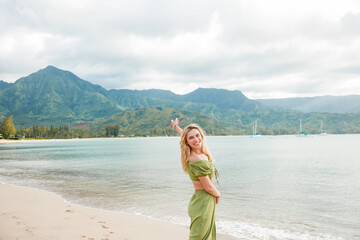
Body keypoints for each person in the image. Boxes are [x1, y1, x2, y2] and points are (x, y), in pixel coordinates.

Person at [171, 118, 220, 240]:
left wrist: (176, 127)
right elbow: (207, 186)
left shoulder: (200, 153)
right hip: (203, 201)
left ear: (202, 136)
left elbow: (185, 134)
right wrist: (218, 195)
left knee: (204, 235)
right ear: (186, 142)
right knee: (199, 236)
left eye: (197, 135)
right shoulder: (195, 159)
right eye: (191, 138)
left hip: (204, 200)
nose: (196, 139)